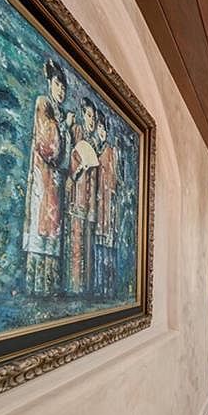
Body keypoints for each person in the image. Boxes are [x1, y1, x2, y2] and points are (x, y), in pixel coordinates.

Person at [22, 59, 71, 295]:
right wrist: (63, 127)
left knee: (53, 229)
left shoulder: (59, 113)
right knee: (41, 227)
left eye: (63, 87)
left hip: (56, 181)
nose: (60, 90)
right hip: (43, 177)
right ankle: (34, 287)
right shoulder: (44, 104)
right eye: (57, 84)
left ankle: (48, 287)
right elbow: (48, 145)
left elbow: (66, 157)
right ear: (50, 84)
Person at [65, 97, 100, 295]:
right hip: (77, 194)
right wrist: (79, 170)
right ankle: (74, 286)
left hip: (88, 199)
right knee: (75, 237)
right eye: (89, 116)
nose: (91, 121)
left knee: (87, 239)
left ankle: (85, 286)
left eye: (93, 117)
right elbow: (72, 160)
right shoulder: (77, 132)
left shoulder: (94, 141)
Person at [93, 117, 119, 297]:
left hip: (108, 204)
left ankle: (108, 287)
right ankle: (98, 286)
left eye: (104, 129)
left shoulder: (111, 152)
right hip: (97, 204)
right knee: (97, 245)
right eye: (99, 128)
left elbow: (115, 180)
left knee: (108, 245)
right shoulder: (95, 148)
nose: (101, 132)